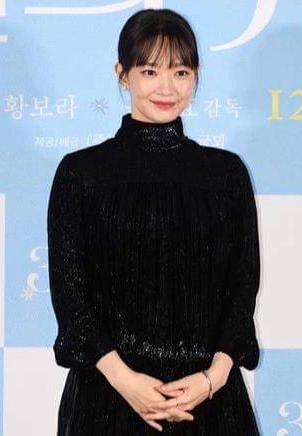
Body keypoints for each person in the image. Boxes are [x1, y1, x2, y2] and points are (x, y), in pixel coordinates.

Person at [47, 9, 260, 435]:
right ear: (122, 75)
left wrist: (213, 378)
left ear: (196, 76)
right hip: (107, 399)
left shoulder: (225, 174)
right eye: (149, 71)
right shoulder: (81, 173)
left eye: (181, 72)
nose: (167, 88)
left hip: (211, 403)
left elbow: (242, 287)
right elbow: (71, 298)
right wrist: (126, 382)